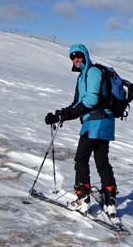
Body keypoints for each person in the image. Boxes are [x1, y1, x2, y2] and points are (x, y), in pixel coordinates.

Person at [45, 44, 118, 219]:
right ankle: (110, 201)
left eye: (78, 56)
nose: (75, 59)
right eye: (72, 57)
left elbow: (91, 100)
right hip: (105, 122)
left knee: (81, 159)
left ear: (85, 55)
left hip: (95, 123)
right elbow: (77, 103)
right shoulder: (83, 76)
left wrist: (67, 114)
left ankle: (83, 199)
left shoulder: (92, 72)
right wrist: (60, 115)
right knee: (102, 160)